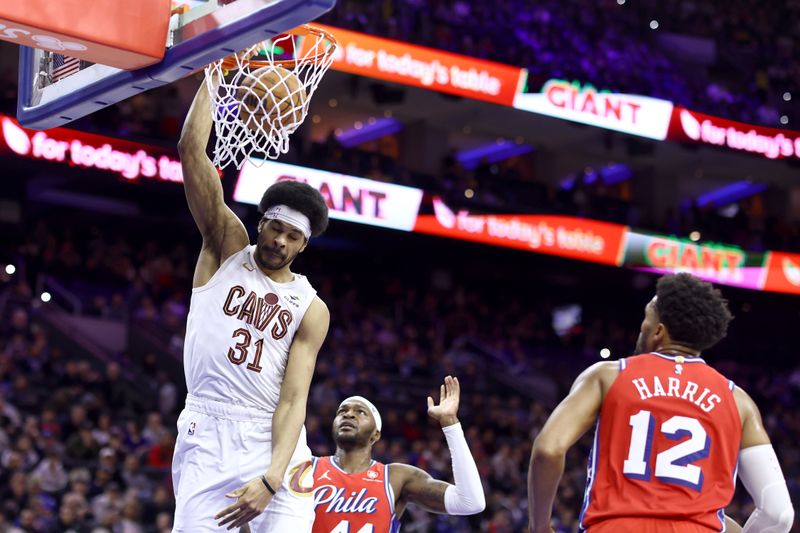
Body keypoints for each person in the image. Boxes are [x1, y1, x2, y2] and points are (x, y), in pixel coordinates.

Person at [173, 77, 330, 532]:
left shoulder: (310, 307)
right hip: (209, 429)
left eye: (292, 236)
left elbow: (294, 399)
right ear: (261, 224)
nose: (279, 240)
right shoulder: (226, 247)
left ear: (302, 246)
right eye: (274, 227)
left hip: (274, 438)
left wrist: (272, 476)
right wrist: (214, 71)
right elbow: (190, 149)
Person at [528, 273, 795, 533]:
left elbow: (548, 450)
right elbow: (778, 514)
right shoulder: (739, 401)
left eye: (645, 319)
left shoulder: (609, 375)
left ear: (658, 331)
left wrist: (539, 527)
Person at [309, 376, 485, 532]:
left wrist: (450, 423)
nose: (349, 415)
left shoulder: (396, 478)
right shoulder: (307, 467)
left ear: (376, 434)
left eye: (360, 412)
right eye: (342, 411)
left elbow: (471, 502)